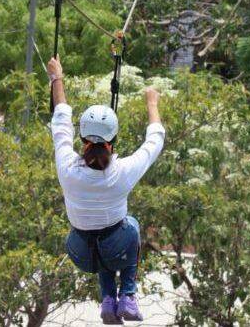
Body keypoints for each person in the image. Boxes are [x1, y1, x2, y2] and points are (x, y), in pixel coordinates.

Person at [47, 57, 165, 325]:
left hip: (81, 252)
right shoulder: (122, 172)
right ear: (113, 142)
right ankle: (128, 295)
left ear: (82, 139)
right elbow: (155, 140)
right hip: (112, 247)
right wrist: (152, 104)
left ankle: (109, 301)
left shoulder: (67, 167)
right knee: (129, 226)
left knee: (100, 234)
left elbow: (61, 120)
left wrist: (57, 77)